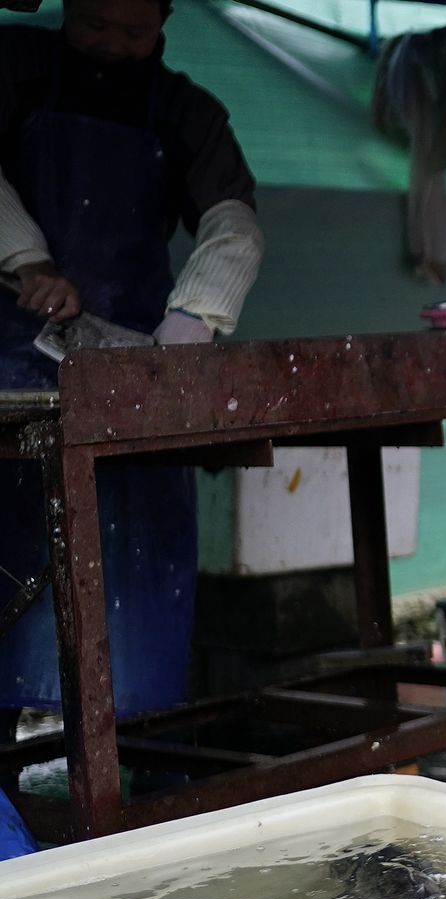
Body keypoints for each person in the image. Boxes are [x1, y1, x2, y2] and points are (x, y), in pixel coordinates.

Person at [0, 0, 264, 734]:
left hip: (128, 381)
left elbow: (233, 219)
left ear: (167, 22)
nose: (111, 46)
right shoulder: (14, 66)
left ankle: (136, 782)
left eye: (133, 32)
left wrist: (189, 324)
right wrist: (27, 261)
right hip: (11, 370)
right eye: (93, 25)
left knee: (127, 610)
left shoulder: (186, 111)